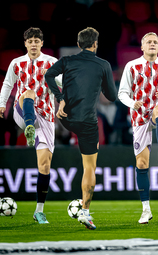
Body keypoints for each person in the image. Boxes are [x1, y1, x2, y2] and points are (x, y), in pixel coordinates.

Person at [45, 27, 117, 230]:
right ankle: (85, 212)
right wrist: (100, 81)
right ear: (95, 44)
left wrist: (60, 100)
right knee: (90, 168)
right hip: (87, 122)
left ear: (78, 45)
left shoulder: (67, 61)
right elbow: (111, 97)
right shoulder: (103, 64)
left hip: (65, 118)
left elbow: (49, 75)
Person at [0, 27, 62, 224]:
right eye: (30, 40)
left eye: (37, 40)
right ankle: (29, 128)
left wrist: (50, 74)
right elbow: (8, 84)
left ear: (42, 43)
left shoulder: (52, 62)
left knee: (44, 165)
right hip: (23, 112)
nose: (33, 44)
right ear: (25, 43)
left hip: (46, 117)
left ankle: (39, 211)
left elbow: (63, 82)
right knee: (29, 93)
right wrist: (1, 105)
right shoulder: (16, 63)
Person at [118, 32, 158, 224]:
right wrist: (132, 103)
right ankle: (146, 209)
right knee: (142, 164)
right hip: (138, 116)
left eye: (155, 42)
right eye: (149, 42)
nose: (152, 44)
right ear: (142, 47)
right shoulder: (132, 66)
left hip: (157, 111)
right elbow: (122, 93)